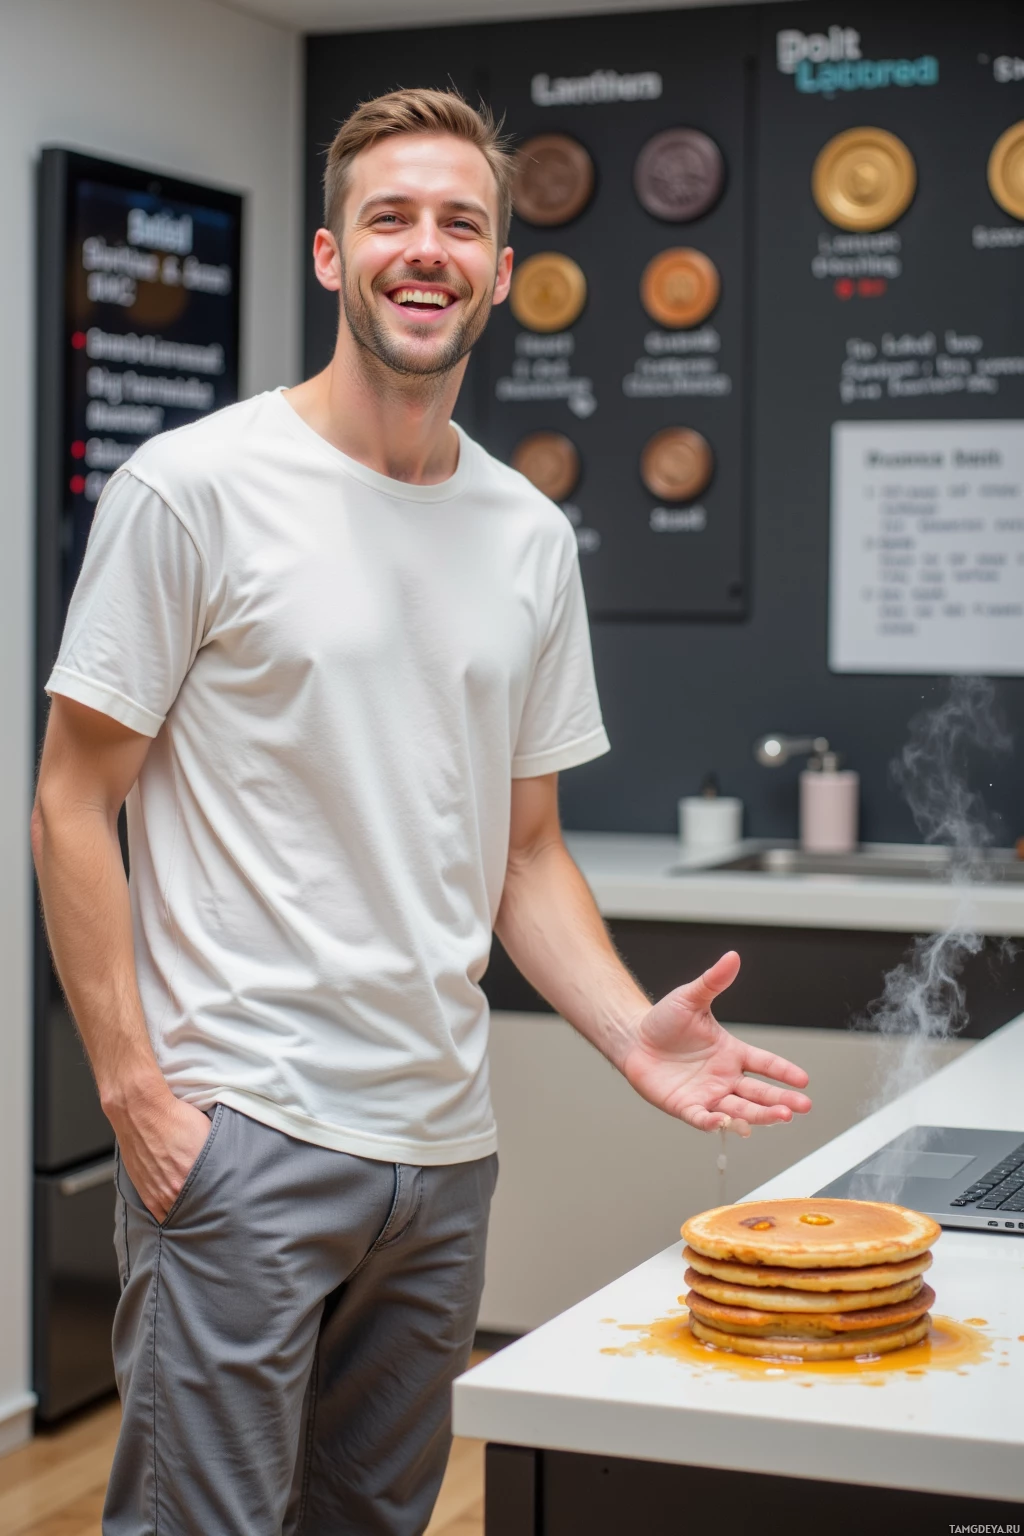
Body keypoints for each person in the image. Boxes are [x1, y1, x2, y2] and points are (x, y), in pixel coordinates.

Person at [32, 88, 811, 1536]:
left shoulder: (525, 532)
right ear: (333, 256)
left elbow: (523, 849)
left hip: (445, 1155)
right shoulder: (193, 491)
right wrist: (138, 1095)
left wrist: (628, 1029)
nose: (425, 248)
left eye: (461, 222)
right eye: (390, 216)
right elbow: (72, 803)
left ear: (503, 271)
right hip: (244, 1134)